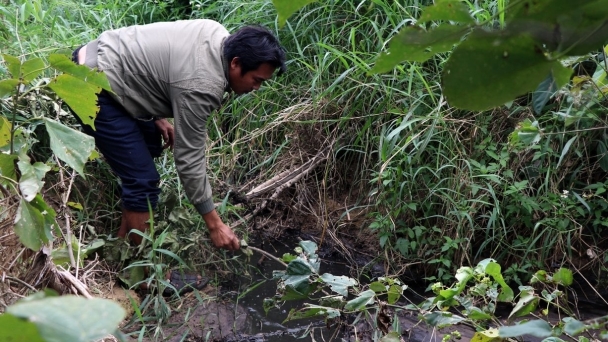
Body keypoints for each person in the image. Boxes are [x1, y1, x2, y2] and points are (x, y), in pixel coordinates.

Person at [72, 20, 286, 259]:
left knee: (151, 145)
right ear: (236, 63)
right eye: (256, 80)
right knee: (142, 181)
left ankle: (123, 245)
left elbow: (160, 66)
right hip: (89, 83)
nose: (256, 88)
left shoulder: (216, 35)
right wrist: (214, 223)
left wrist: (154, 115)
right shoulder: (203, 84)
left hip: (101, 58)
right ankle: (143, 277)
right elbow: (189, 158)